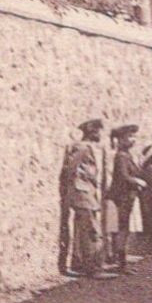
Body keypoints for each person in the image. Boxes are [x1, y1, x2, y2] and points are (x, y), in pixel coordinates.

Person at [58, 118, 105, 276]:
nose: (100, 134)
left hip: (85, 192)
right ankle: (93, 268)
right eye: (98, 131)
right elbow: (70, 169)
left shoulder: (85, 147)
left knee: (82, 230)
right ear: (92, 132)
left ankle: (80, 264)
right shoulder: (83, 148)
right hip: (82, 193)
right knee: (91, 230)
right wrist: (78, 182)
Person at [107, 124, 147, 273]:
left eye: (134, 136)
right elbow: (124, 176)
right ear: (121, 139)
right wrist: (138, 181)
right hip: (121, 197)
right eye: (130, 137)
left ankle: (120, 261)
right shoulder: (121, 156)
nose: (133, 140)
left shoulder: (127, 155)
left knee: (123, 229)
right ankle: (120, 263)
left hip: (127, 197)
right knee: (121, 229)